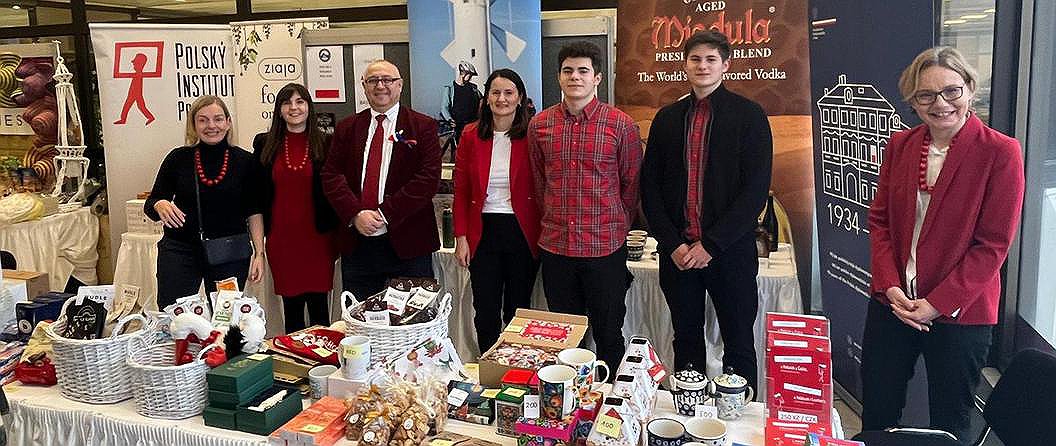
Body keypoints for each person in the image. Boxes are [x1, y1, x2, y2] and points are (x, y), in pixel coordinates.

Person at [861, 46, 1024, 444]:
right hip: (893, 304)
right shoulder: (900, 145)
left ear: (970, 88)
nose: (940, 104)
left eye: (951, 91)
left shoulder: (1000, 152)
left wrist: (936, 303)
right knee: (877, 412)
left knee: (949, 424)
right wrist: (890, 285)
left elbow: (992, 245)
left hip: (960, 312)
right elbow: (880, 221)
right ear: (913, 101)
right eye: (926, 95)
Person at [640, 31, 772, 391]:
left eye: (711, 59)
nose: (702, 66)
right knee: (685, 338)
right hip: (678, 255)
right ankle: (689, 410)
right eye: (695, 59)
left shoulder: (749, 116)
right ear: (685, 65)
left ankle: (739, 415)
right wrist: (672, 244)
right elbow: (650, 189)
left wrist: (711, 244)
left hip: (730, 253)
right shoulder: (667, 119)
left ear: (725, 65)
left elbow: (755, 192)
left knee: (738, 342)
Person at [529, 41, 642, 371]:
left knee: (609, 334)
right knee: (566, 337)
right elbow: (539, 182)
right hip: (557, 248)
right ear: (559, 77)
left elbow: (631, 185)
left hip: (604, 248)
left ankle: (611, 398)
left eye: (583, 71)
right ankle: (569, 396)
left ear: (597, 78)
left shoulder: (620, 125)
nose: (575, 77)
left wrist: (615, 225)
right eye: (568, 71)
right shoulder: (540, 125)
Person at [322, 60, 441, 301]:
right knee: (359, 317)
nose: (380, 86)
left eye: (387, 80)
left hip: (409, 243)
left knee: (412, 317)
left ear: (400, 85)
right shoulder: (347, 127)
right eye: (373, 80)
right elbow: (331, 175)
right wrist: (356, 214)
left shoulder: (423, 126)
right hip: (358, 244)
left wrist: (384, 214)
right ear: (364, 86)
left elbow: (427, 179)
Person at [145, 95, 265, 309]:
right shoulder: (178, 158)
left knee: (225, 316)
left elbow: (254, 210)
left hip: (229, 253)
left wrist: (259, 253)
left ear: (228, 122)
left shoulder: (245, 161)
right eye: (203, 120)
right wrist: (159, 204)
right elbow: (152, 203)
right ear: (193, 125)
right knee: (174, 314)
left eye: (218, 119)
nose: (211, 126)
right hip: (180, 251)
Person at [453, 68, 541, 353]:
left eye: (509, 93)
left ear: (520, 98)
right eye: (495, 92)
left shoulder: (533, 134)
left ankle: (515, 365)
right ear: (487, 98)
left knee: (518, 309)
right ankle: (488, 365)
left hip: (522, 231)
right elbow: (461, 190)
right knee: (486, 309)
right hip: (483, 232)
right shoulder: (470, 135)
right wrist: (461, 237)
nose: (502, 99)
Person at [253, 83, 339, 333]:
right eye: (287, 102)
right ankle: (293, 357)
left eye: (300, 101)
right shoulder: (264, 144)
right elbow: (256, 198)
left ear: (309, 107)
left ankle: (322, 357)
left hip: (319, 240)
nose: (294, 108)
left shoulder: (327, 143)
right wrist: (259, 249)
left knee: (320, 311)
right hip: (282, 241)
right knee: (292, 312)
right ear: (279, 110)